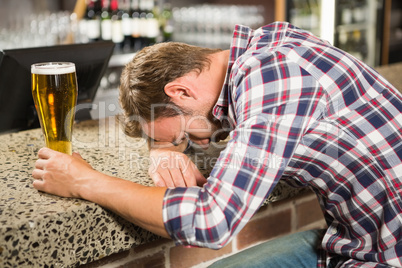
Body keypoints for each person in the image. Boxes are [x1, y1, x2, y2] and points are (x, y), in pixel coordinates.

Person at [32, 22, 402, 267]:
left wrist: (85, 181)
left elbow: (212, 222)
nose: (195, 143)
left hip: (381, 255)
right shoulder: (268, 48)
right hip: (357, 238)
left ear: (179, 90)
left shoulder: (272, 80)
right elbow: (223, 131)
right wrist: (164, 148)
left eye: (181, 135)